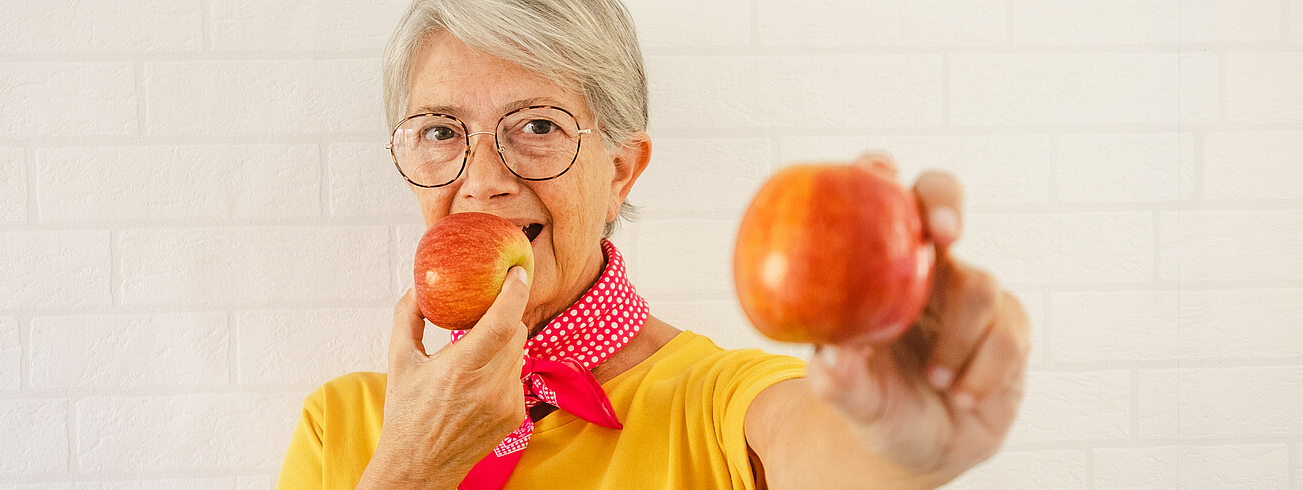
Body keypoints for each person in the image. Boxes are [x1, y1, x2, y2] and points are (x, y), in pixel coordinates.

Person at [277, 0, 1030, 488]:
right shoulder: (344, 427)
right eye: (442, 132)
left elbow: (824, 445)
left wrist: (898, 447)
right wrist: (409, 470)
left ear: (619, 170)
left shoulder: (715, 403)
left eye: (537, 126)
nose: (482, 182)